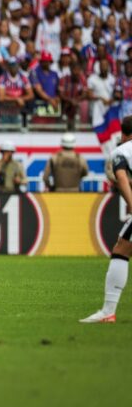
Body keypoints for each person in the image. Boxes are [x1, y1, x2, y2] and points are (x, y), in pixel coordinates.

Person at [80, 116, 132, 324]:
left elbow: (120, 178)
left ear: (123, 134)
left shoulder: (121, 151)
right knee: (123, 246)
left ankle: (108, 312)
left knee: (121, 249)